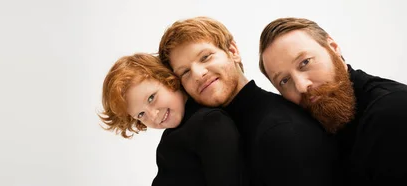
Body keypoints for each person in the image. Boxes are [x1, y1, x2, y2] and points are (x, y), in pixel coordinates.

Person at [158, 16, 342, 186]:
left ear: (233, 51)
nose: (198, 75)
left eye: (205, 57)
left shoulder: (281, 130)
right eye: (185, 72)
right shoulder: (203, 132)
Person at [259, 17, 407, 185]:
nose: (301, 86)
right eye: (284, 81)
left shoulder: (393, 111)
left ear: (334, 48)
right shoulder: (313, 127)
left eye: (305, 62)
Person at [98, 53, 246, 186]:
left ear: (167, 79)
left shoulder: (210, 123)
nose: (153, 115)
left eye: (151, 98)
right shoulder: (180, 130)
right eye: (141, 115)